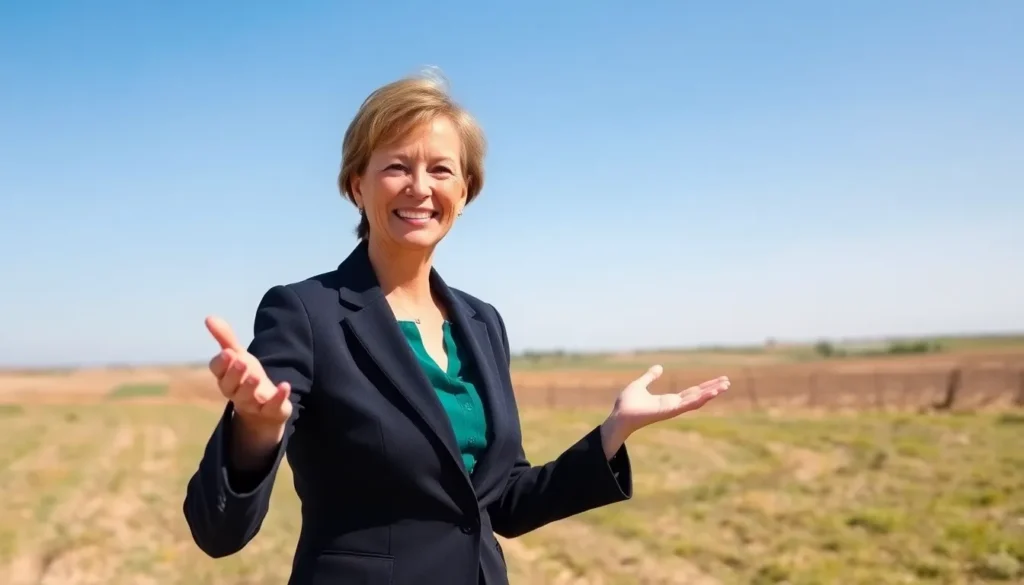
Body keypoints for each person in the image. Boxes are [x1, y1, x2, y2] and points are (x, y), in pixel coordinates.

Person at [182, 69, 730, 585]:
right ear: (356, 186)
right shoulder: (305, 312)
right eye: (396, 166)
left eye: (441, 169)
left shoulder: (481, 323)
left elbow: (503, 502)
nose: (420, 187)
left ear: (465, 193)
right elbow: (217, 532)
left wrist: (613, 434)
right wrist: (256, 429)